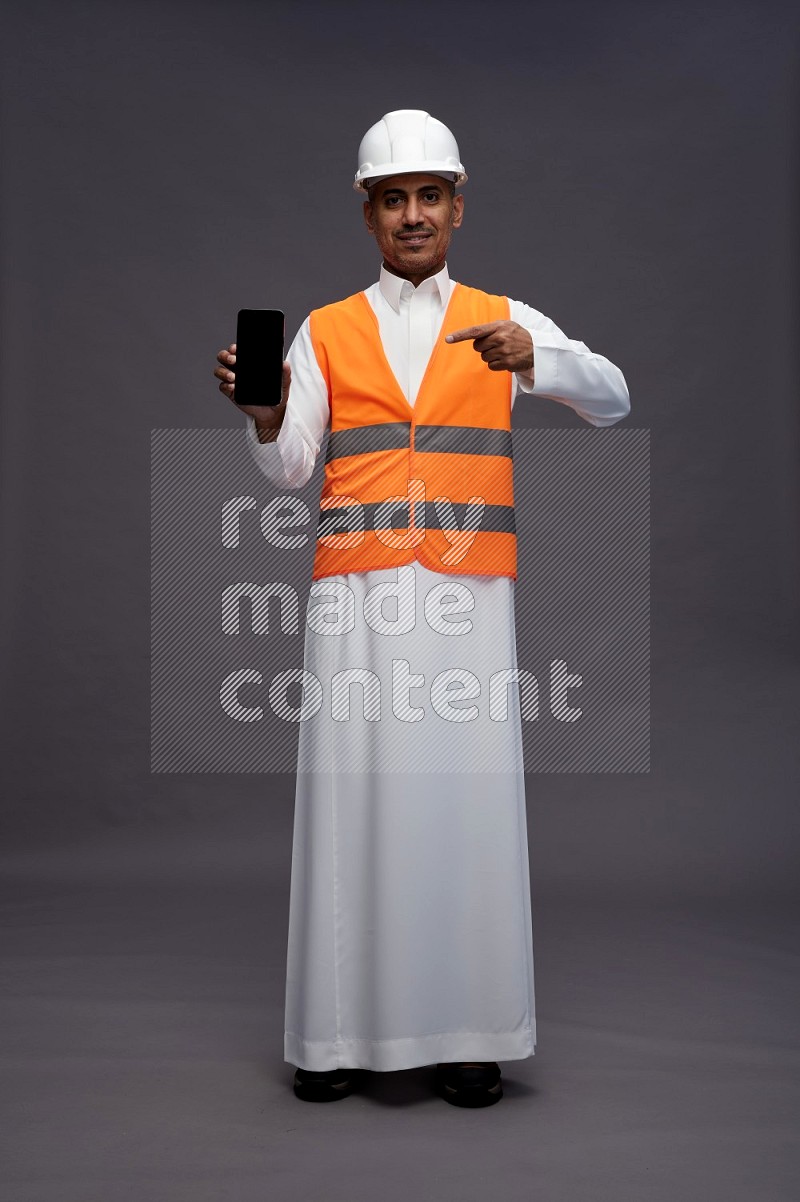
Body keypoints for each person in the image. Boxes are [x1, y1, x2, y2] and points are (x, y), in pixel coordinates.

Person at [214, 110, 630, 1108]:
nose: (412, 214)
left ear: (456, 205)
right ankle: (333, 1034)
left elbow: (611, 396)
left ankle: (469, 1034)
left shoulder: (499, 314)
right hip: (353, 600)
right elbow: (287, 468)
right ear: (367, 214)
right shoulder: (327, 328)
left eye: (428, 196)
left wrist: (534, 354)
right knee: (349, 801)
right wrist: (267, 411)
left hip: (464, 603)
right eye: (391, 199)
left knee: (462, 805)